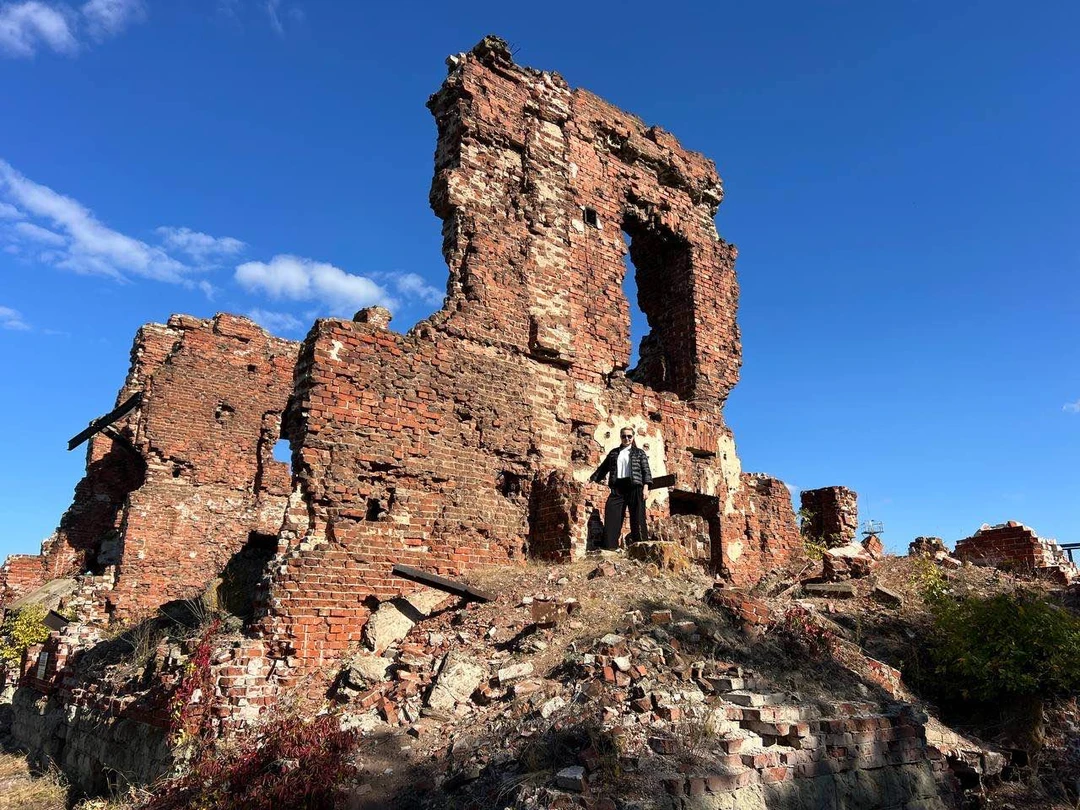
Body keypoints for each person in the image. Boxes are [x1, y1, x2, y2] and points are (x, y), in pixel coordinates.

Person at [589, 427, 652, 550]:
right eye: (624, 436)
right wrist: (592, 480)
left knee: (637, 517)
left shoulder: (639, 453)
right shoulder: (614, 453)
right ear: (620, 437)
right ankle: (610, 547)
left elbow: (646, 472)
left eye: (629, 436)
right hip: (618, 487)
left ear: (633, 437)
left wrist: (646, 488)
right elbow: (603, 468)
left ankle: (641, 547)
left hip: (635, 487)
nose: (626, 439)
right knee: (612, 514)